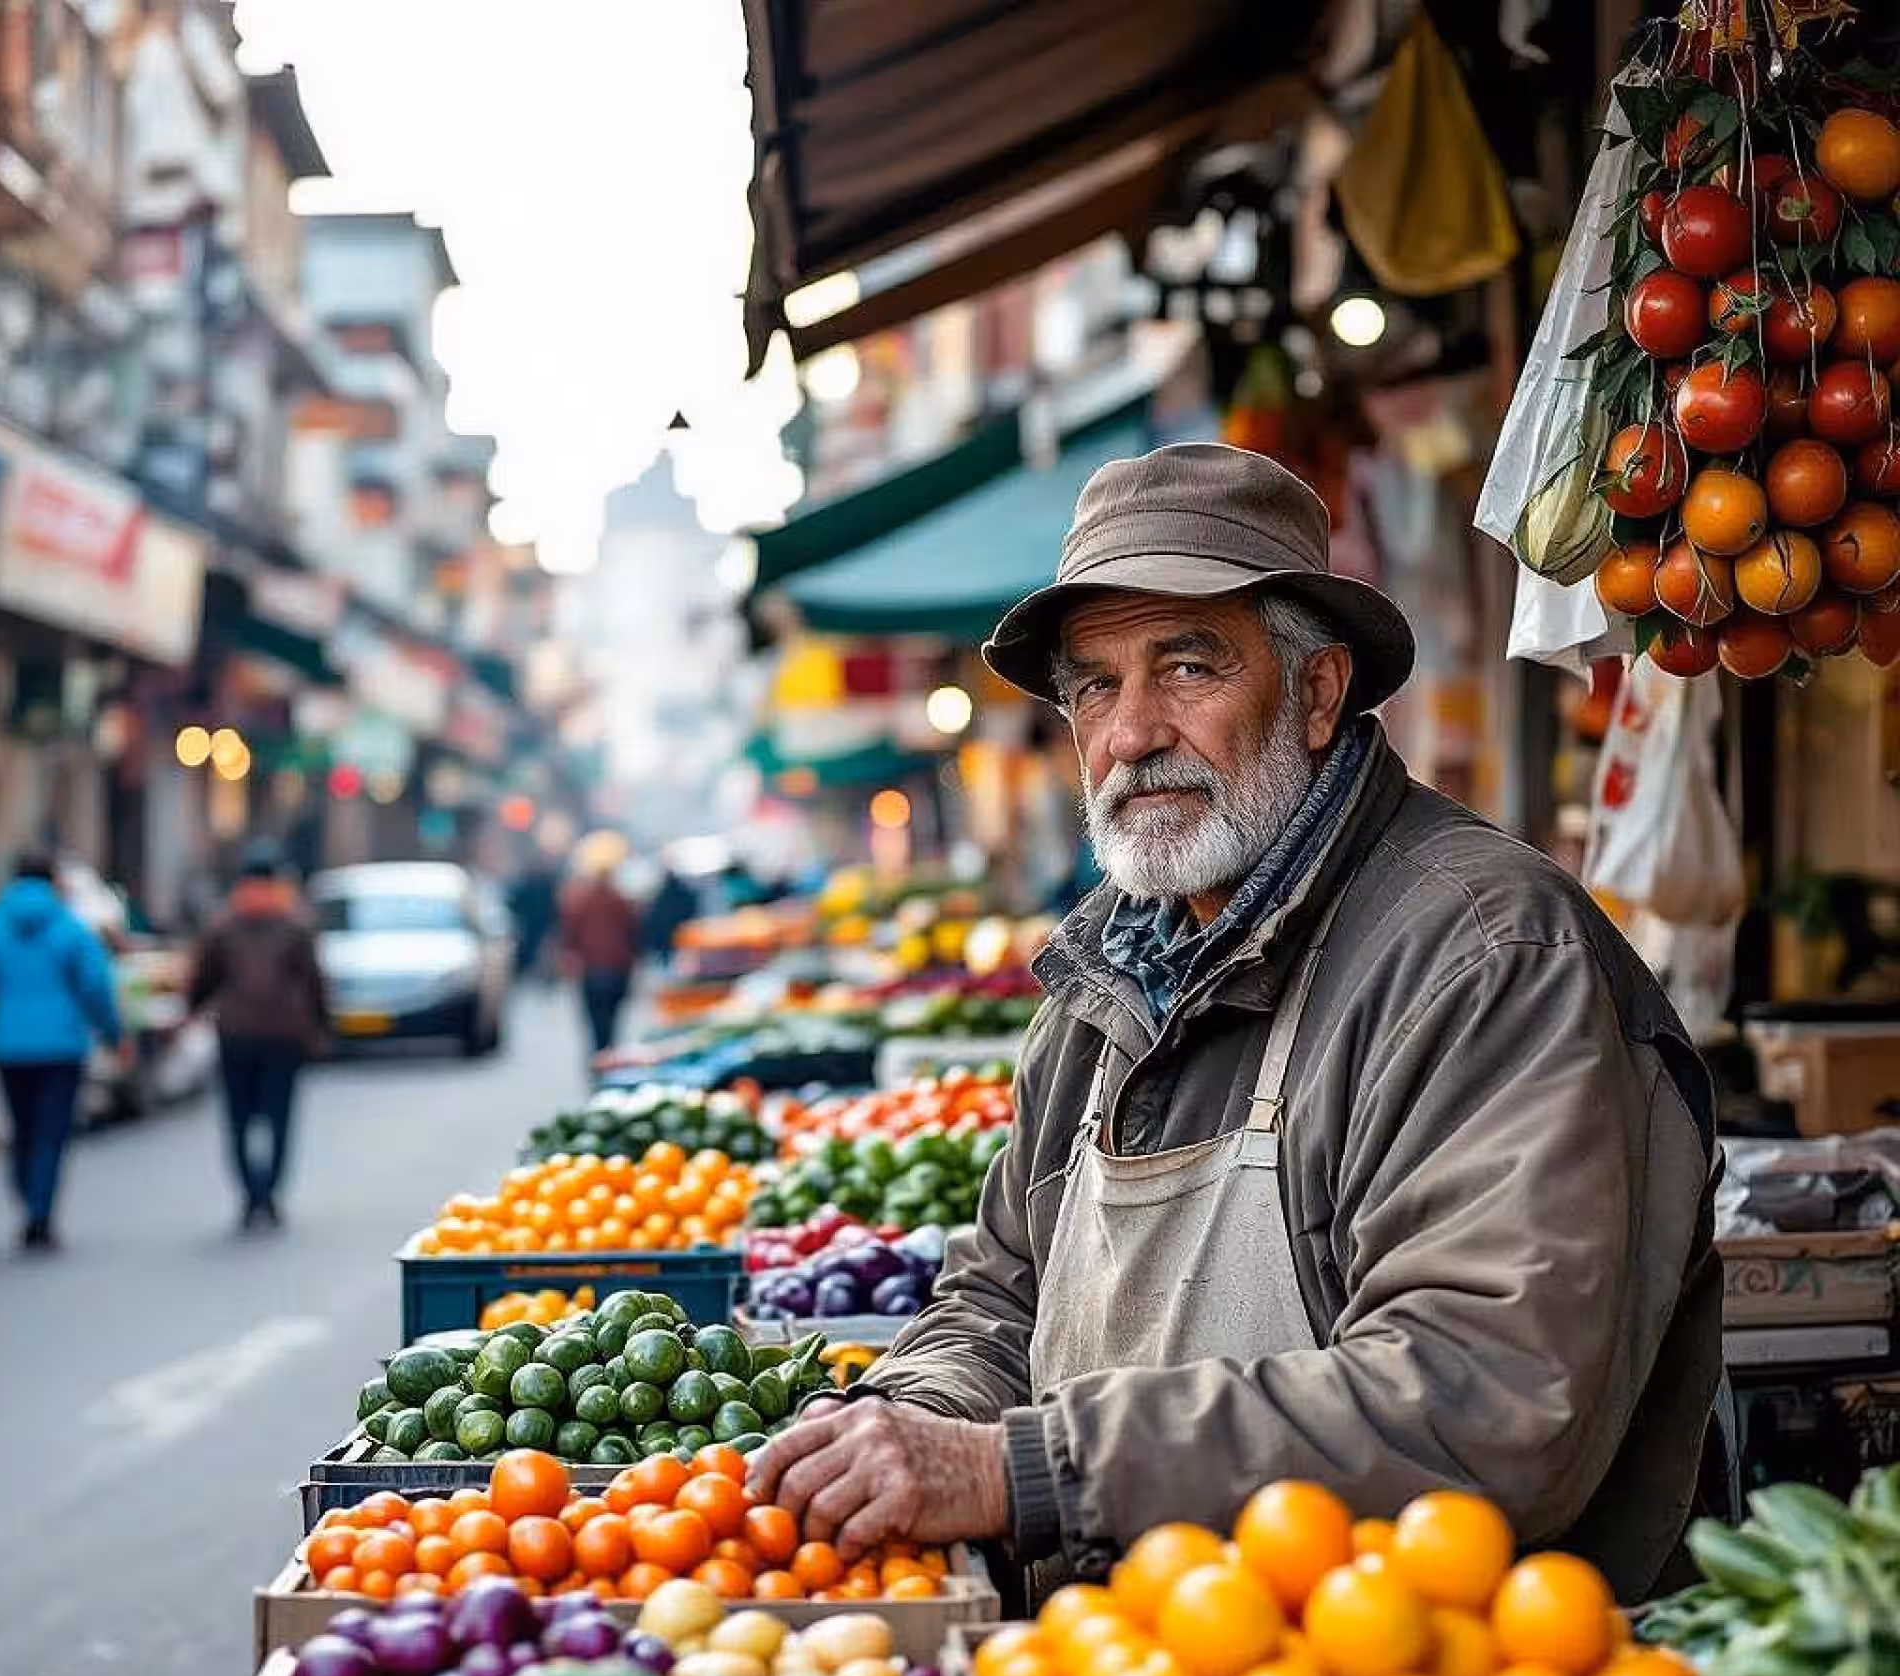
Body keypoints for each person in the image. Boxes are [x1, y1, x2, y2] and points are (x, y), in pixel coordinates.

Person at [750, 444, 1723, 1604]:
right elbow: (1005, 1291)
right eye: (1094, 687)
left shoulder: (1484, 956)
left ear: (1316, 695)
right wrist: (902, 1422)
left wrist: (1026, 1468)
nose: (1131, 733)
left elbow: (1485, 1396)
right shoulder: (1111, 971)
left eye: (1189, 665)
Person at [0, 851, 125, 1250]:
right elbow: (96, 987)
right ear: (53, 881)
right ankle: (40, 1212)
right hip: (62, 1046)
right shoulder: (70, 928)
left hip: (8, 1045)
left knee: (21, 1129)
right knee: (50, 1133)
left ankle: (27, 1197)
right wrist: (114, 1033)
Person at [189, 843, 328, 1231]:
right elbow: (315, 983)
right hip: (283, 1033)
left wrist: (191, 1012)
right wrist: (320, 1027)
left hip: (235, 1033)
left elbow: (203, 980)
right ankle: (269, 1192)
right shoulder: (294, 925)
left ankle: (252, 1193)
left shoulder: (223, 926)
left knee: (238, 1118)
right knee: (279, 1117)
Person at [558, 842, 639, 1060]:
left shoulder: (578, 898)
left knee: (596, 1023)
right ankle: (607, 1057)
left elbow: (569, 933)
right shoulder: (620, 898)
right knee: (610, 1022)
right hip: (615, 966)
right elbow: (632, 932)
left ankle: (600, 1059)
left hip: (592, 968)